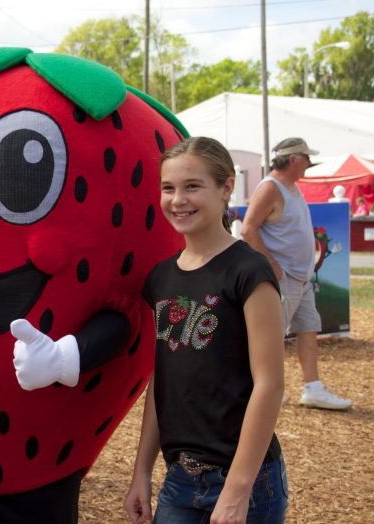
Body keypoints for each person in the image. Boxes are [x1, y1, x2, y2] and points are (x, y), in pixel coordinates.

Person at [125, 137, 287, 524]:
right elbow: (162, 382)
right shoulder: (162, 278)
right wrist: (142, 472)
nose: (178, 199)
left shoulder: (249, 272)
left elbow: (270, 385)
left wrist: (237, 489)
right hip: (179, 480)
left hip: (246, 479)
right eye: (168, 188)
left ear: (226, 187)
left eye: (192, 186)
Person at [240, 137, 352, 410]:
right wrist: (272, 267)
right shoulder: (271, 189)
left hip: (299, 278)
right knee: (270, 334)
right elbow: (247, 229)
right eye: (306, 158)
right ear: (293, 160)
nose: (309, 164)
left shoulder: (290, 188)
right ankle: (261, 390)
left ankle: (312, 387)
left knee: (308, 328)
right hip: (284, 277)